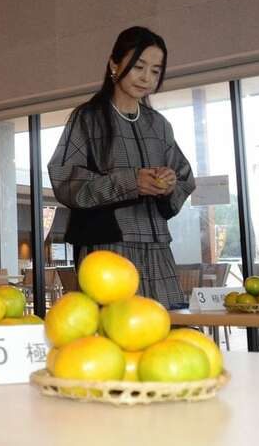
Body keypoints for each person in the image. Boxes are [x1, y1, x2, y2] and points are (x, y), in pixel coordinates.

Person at [47, 27, 196, 309]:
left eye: (155, 70)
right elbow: (66, 180)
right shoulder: (88, 119)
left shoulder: (159, 125)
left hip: (157, 247)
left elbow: (185, 176)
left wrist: (169, 182)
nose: (146, 77)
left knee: (167, 326)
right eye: (138, 66)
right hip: (107, 248)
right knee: (113, 333)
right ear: (114, 65)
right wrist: (130, 182)